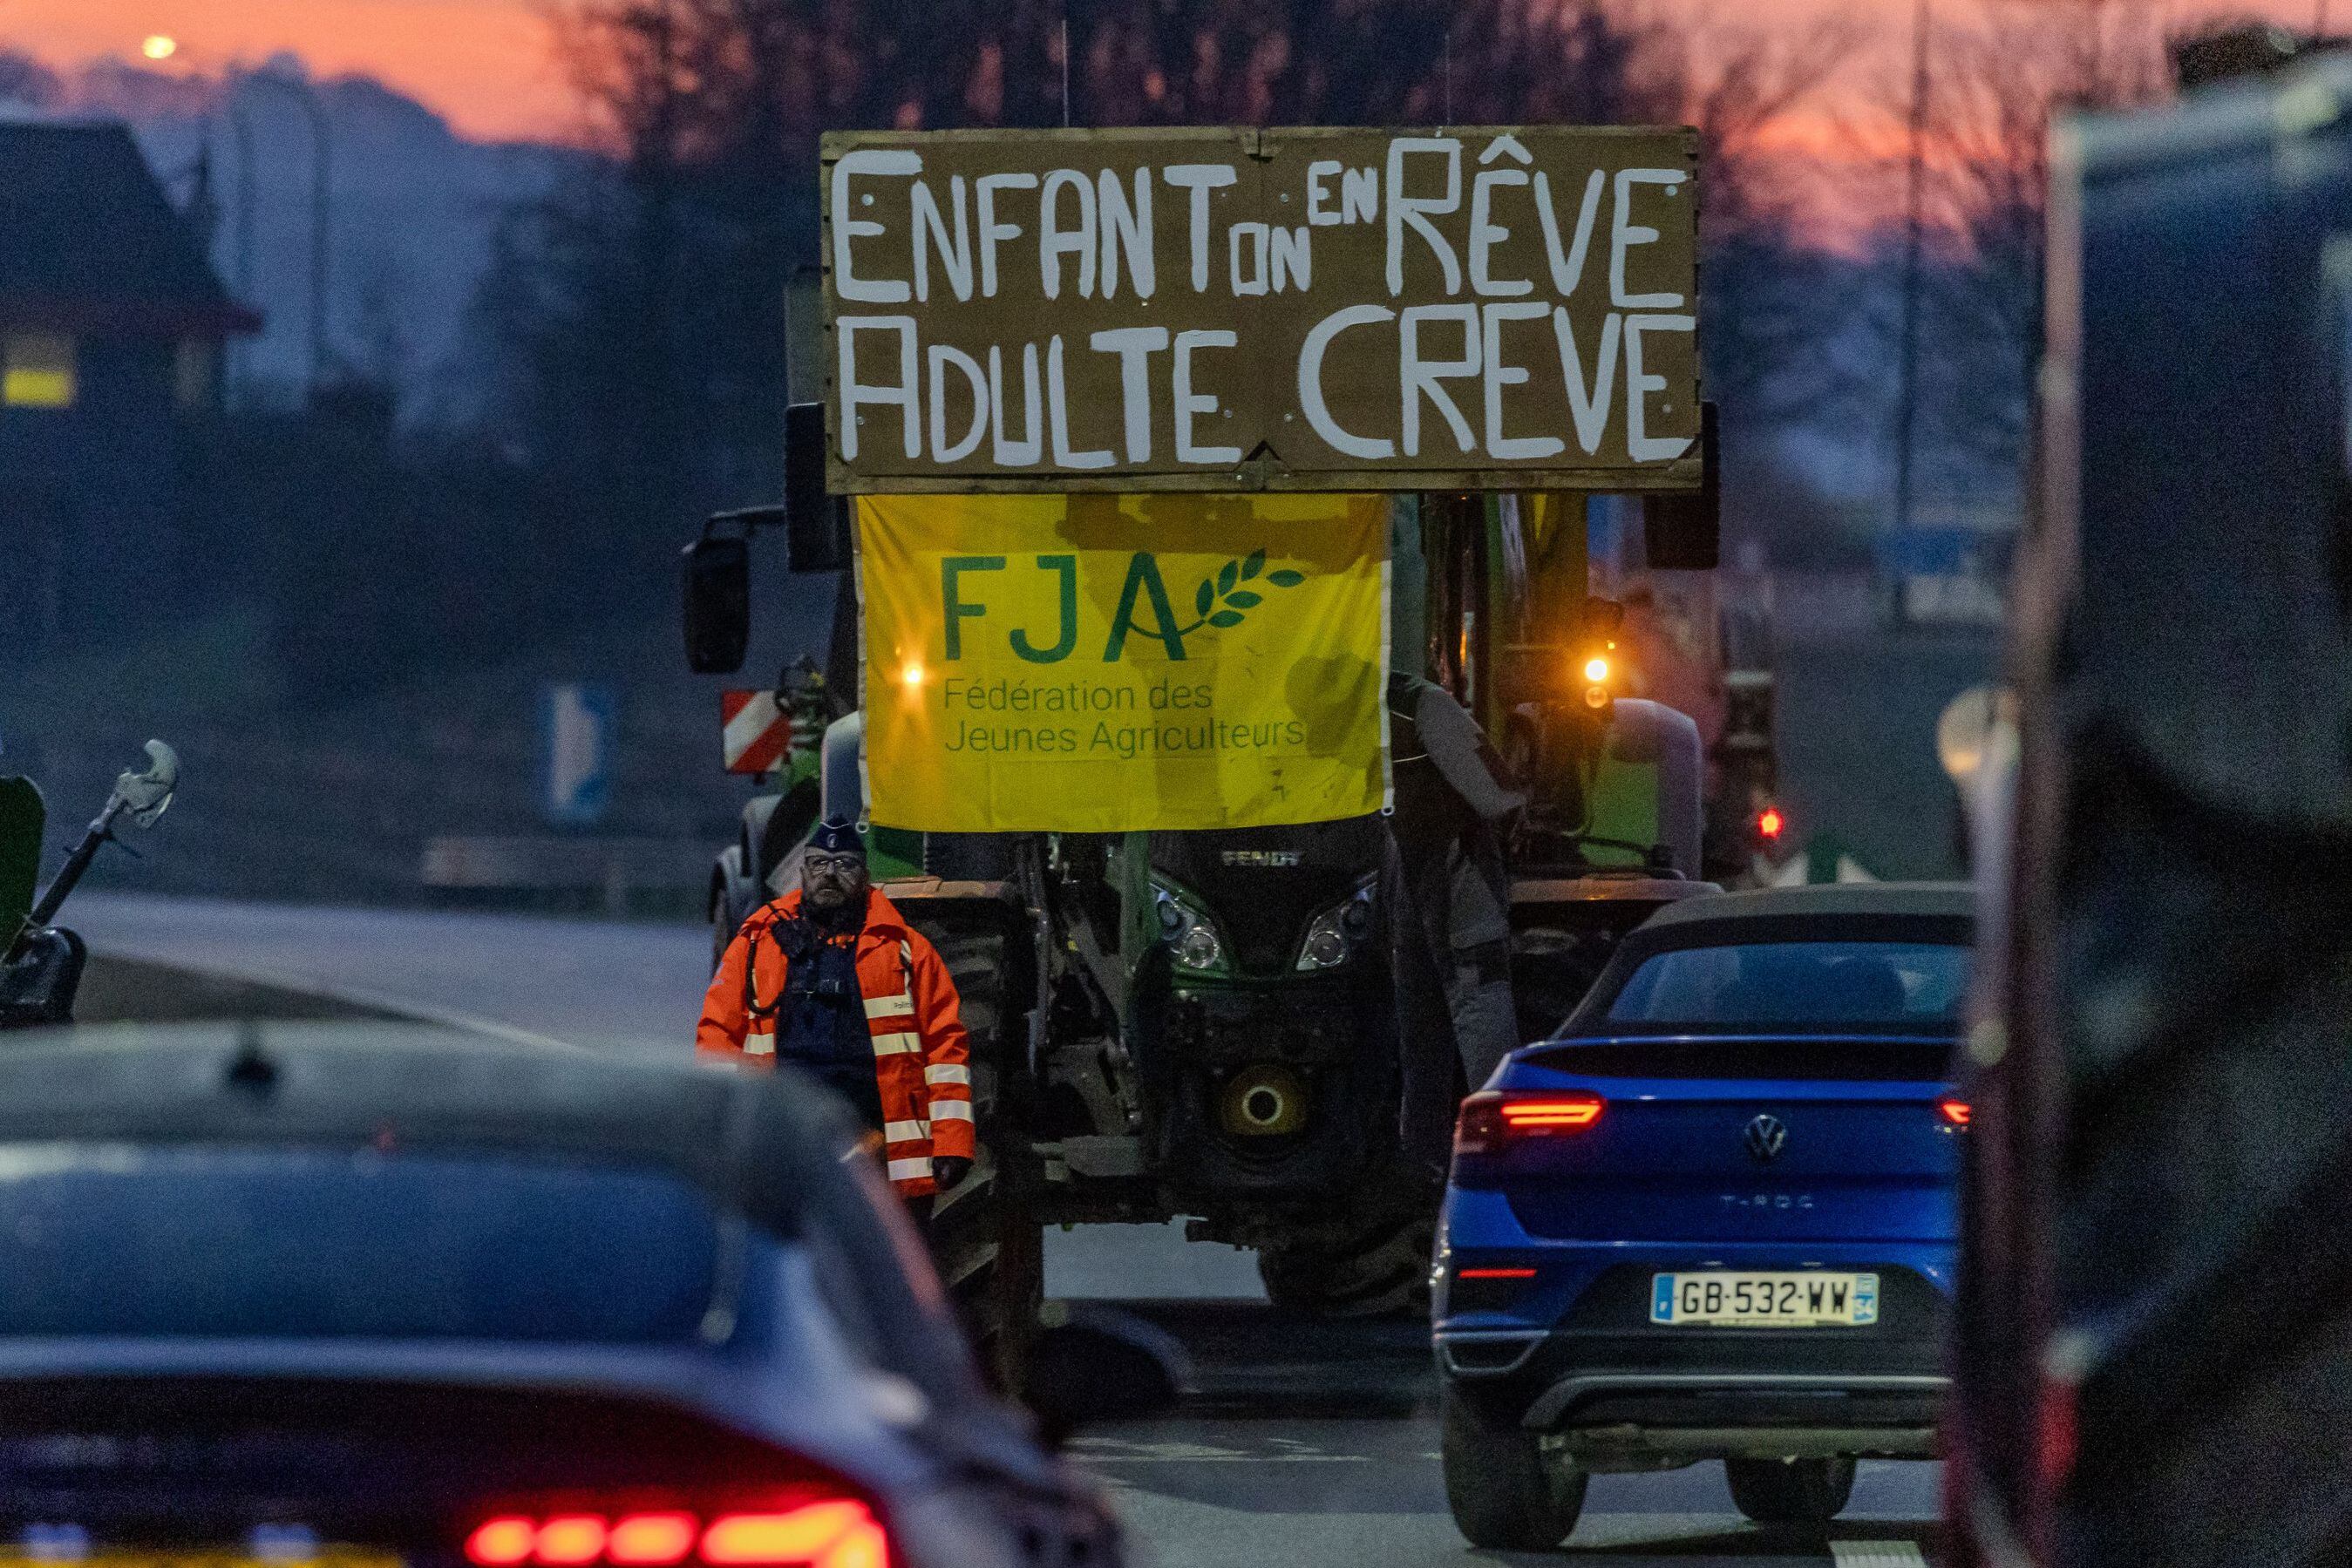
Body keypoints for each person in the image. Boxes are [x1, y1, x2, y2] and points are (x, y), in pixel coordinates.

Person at [698, 818, 975, 1202]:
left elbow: (945, 1048)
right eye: (818, 864)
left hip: (879, 1144)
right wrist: (720, 1132)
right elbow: (717, 1038)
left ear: (865, 876)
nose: (829, 875)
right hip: (785, 1137)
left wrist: (953, 1143)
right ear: (802, 872)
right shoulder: (756, 944)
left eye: (844, 865)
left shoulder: (906, 950)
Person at [1385, 671, 1528, 1178]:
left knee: (1448, 1010)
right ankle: (1494, 1157)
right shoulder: (1415, 703)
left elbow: (1500, 796)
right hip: (1437, 865)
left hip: (1437, 867)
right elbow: (1502, 796)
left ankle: (1481, 1155)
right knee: (1451, 1007)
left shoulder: (1412, 706)